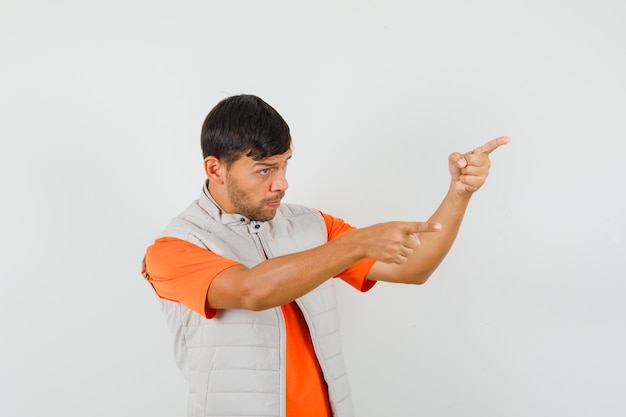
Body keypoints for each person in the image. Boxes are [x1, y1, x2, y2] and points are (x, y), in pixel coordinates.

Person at [142, 94, 510, 417]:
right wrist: (356, 244)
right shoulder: (175, 247)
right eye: (264, 170)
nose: (281, 182)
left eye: (285, 164)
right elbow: (250, 291)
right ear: (214, 169)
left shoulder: (312, 225)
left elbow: (415, 267)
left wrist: (459, 192)